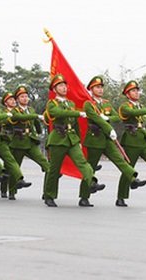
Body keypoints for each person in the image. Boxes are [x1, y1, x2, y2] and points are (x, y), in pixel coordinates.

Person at [80, 76, 146, 207]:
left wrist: (108, 119)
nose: (100, 89)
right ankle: (84, 197)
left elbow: (117, 117)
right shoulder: (88, 104)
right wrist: (108, 126)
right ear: (91, 89)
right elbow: (96, 119)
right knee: (90, 169)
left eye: (101, 87)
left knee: (120, 160)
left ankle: (133, 178)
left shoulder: (106, 103)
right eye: (97, 87)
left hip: (107, 140)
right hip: (95, 139)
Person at [43, 75, 105, 207]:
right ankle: (49, 195)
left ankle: (92, 182)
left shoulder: (71, 104)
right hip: (58, 139)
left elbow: (75, 123)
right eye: (60, 86)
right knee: (54, 169)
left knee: (82, 162)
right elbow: (58, 114)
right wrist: (77, 113)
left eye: (65, 85)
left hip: (72, 139)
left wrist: (78, 139)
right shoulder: (52, 104)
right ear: (54, 89)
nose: (64, 88)